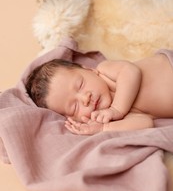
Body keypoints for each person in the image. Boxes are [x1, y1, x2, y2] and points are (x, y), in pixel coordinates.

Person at [26, 49, 173, 135]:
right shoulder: (112, 116)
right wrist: (104, 127)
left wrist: (117, 109)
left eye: (80, 84)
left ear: (89, 70)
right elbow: (145, 124)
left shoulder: (105, 71)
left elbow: (131, 71)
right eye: (75, 107)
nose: (85, 98)